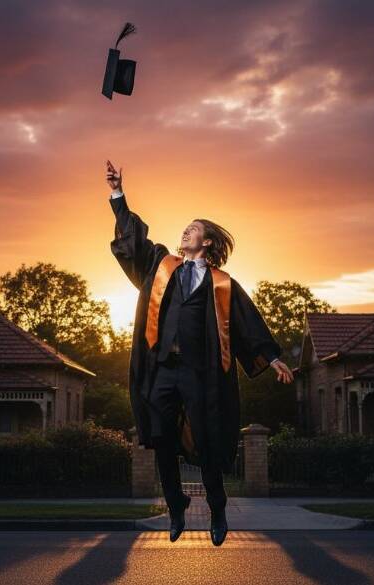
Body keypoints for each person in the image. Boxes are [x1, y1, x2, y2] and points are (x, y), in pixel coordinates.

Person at [105, 160, 294, 546]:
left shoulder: (222, 285)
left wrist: (272, 357)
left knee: (206, 440)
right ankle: (175, 506)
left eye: (193, 229)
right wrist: (117, 195)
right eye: (186, 228)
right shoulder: (161, 265)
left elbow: (247, 322)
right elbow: (133, 242)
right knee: (158, 436)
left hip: (200, 373)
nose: (185, 231)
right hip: (162, 369)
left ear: (206, 241)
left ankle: (217, 507)